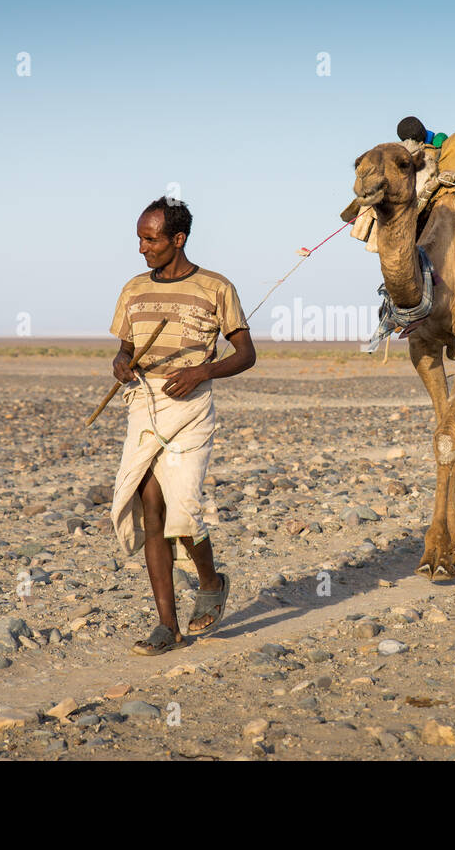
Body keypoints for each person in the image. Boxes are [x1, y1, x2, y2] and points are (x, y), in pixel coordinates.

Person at [108, 197, 256, 655]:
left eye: (150, 239)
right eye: (139, 238)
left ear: (178, 239)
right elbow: (123, 349)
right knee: (150, 507)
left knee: (183, 510)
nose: (142, 248)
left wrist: (200, 372)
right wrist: (120, 365)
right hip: (144, 405)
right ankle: (167, 626)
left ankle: (210, 581)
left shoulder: (216, 288)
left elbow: (246, 355)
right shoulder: (133, 289)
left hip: (191, 408)